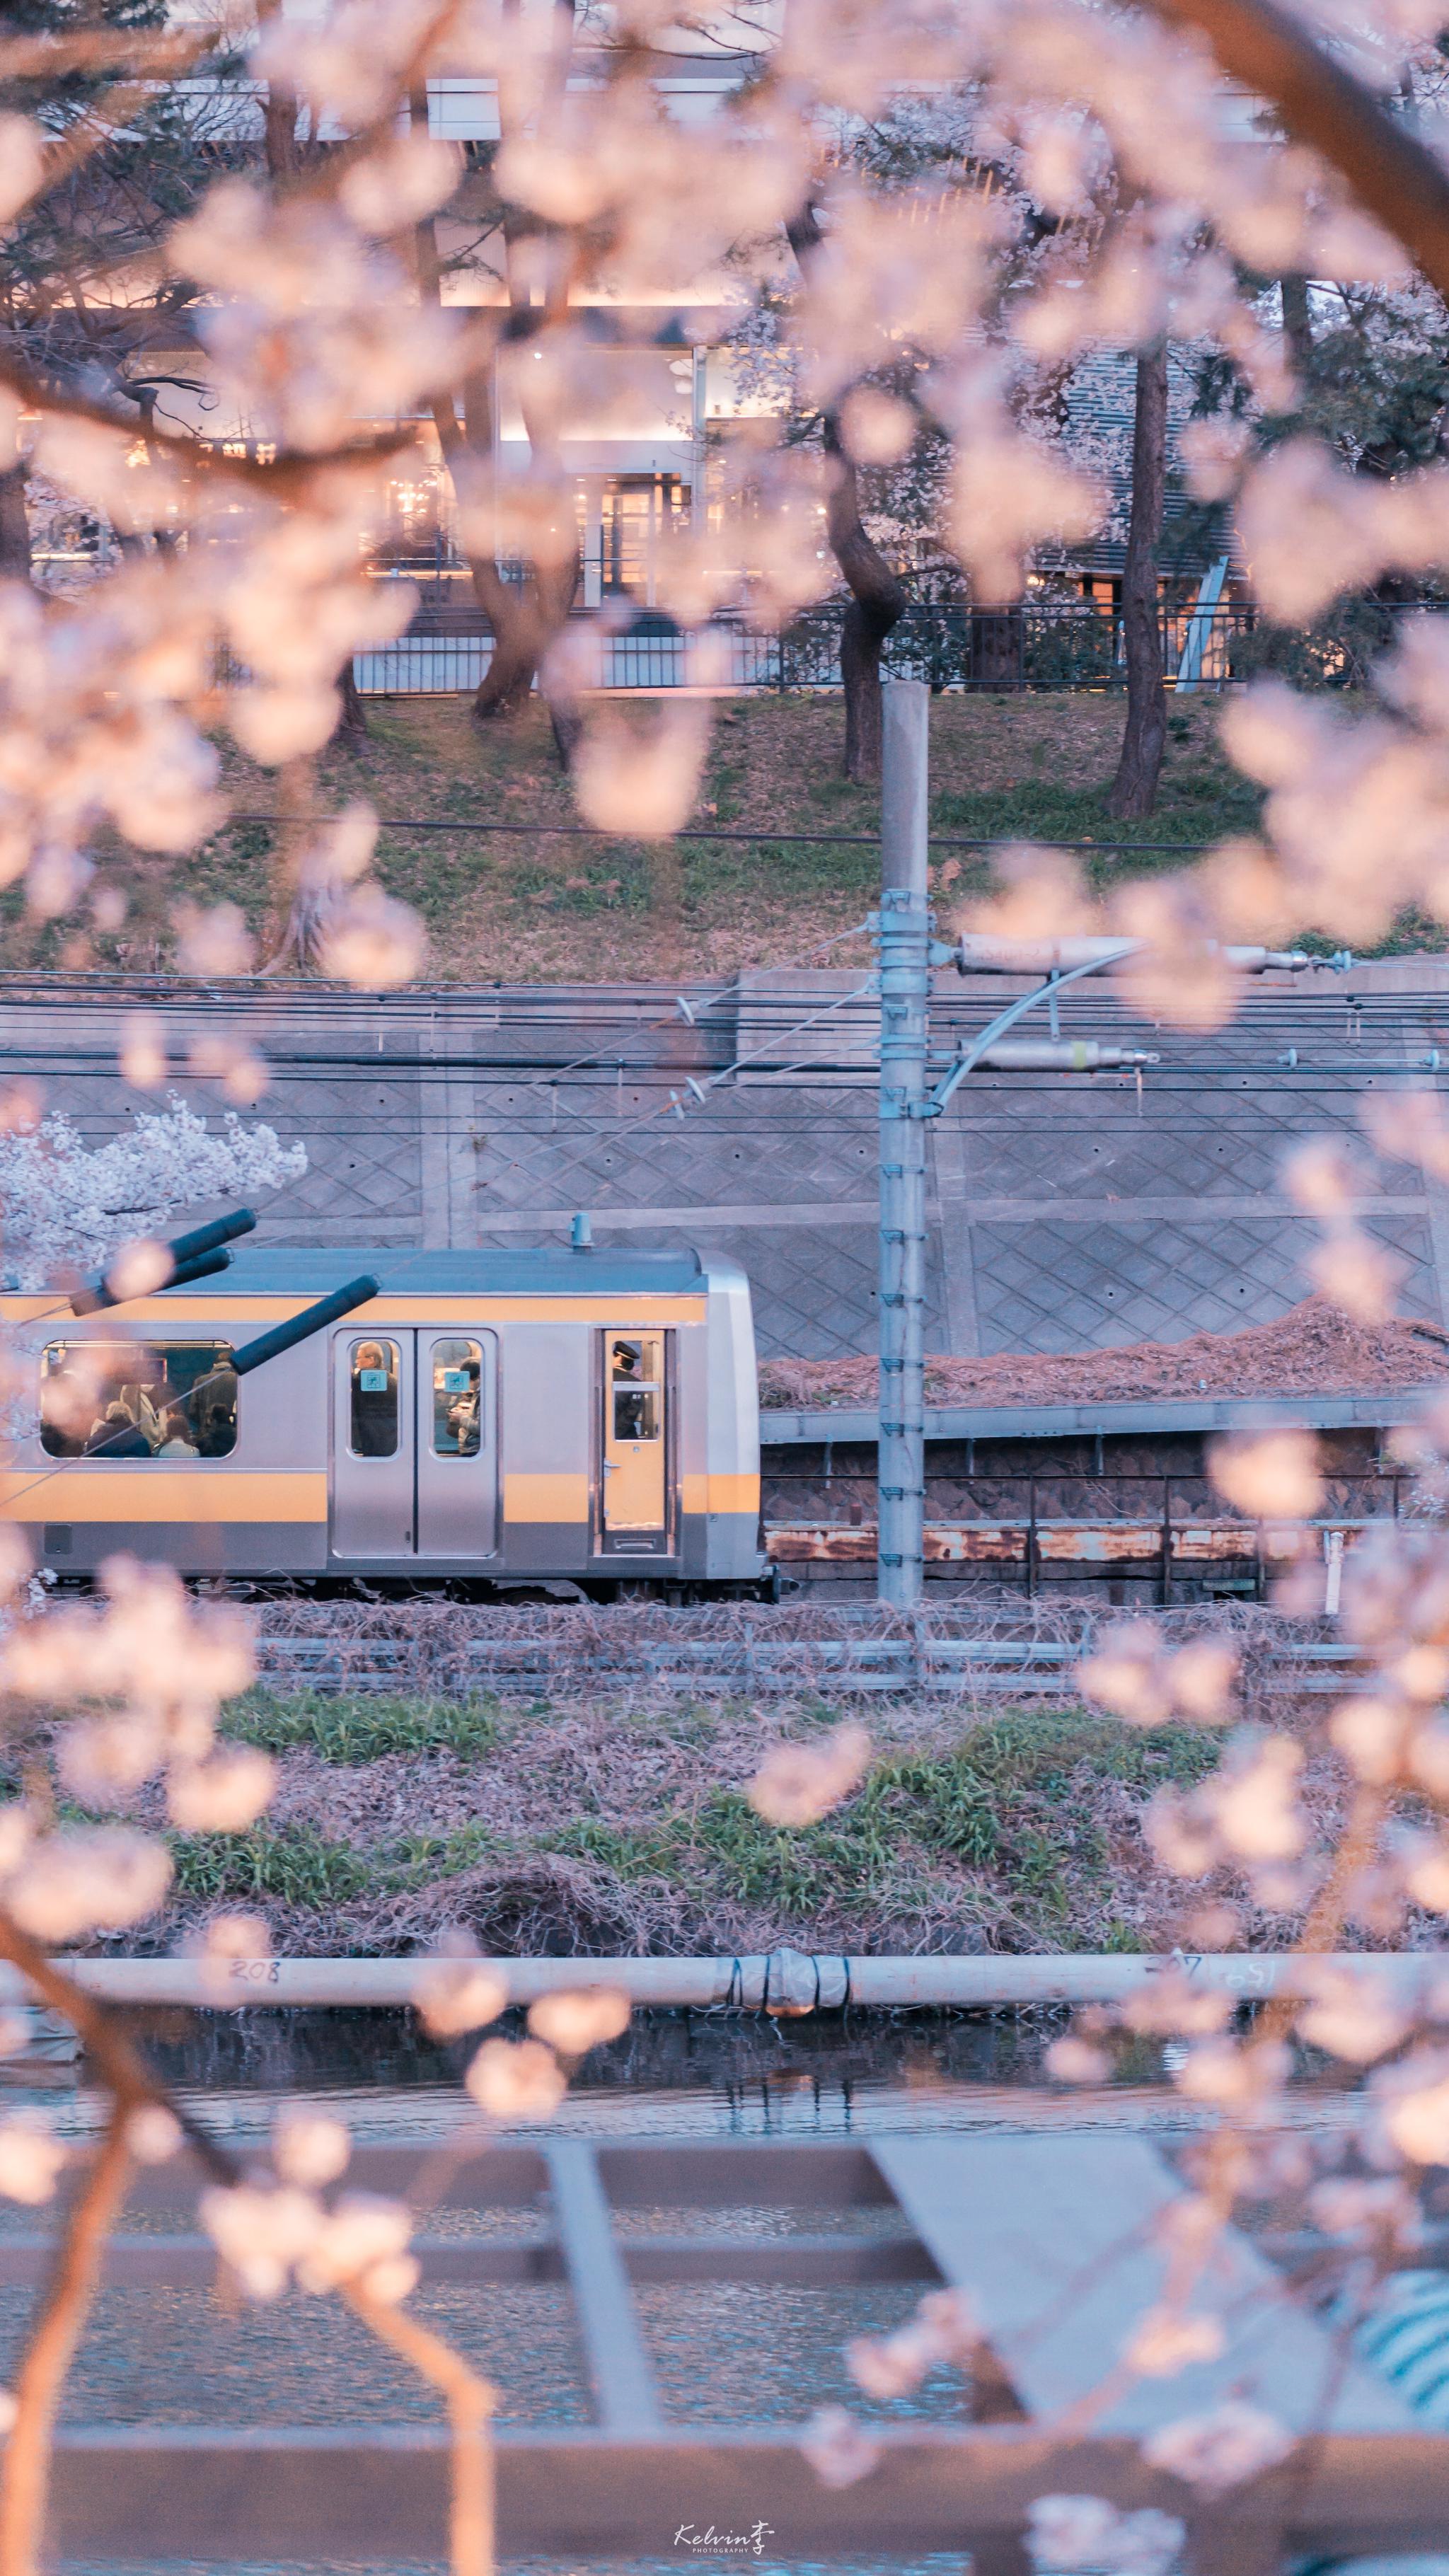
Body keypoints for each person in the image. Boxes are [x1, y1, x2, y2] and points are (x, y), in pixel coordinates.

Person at [352, 1341, 398, 1457]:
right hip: (391, 1437)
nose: (356, 1361)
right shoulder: (393, 1380)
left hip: (372, 1437)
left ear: (371, 1359)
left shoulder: (363, 1378)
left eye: (358, 1358)